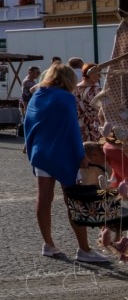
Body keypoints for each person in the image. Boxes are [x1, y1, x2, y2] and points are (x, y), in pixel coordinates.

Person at [24, 62, 109, 263]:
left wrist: (31, 146)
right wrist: (80, 155)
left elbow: (28, 122)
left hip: (41, 153)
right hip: (63, 153)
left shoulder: (37, 95)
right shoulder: (66, 98)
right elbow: (72, 129)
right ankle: (84, 249)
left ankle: (49, 244)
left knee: (44, 199)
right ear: (69, 79)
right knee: (73, 200)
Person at [76, 63, 102, 143]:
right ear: (91, 74)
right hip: (95, 124)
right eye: (98, 74)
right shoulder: (97, 90)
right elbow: (102, 109)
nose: (100, 77)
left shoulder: (74, 88)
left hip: (79, 124)